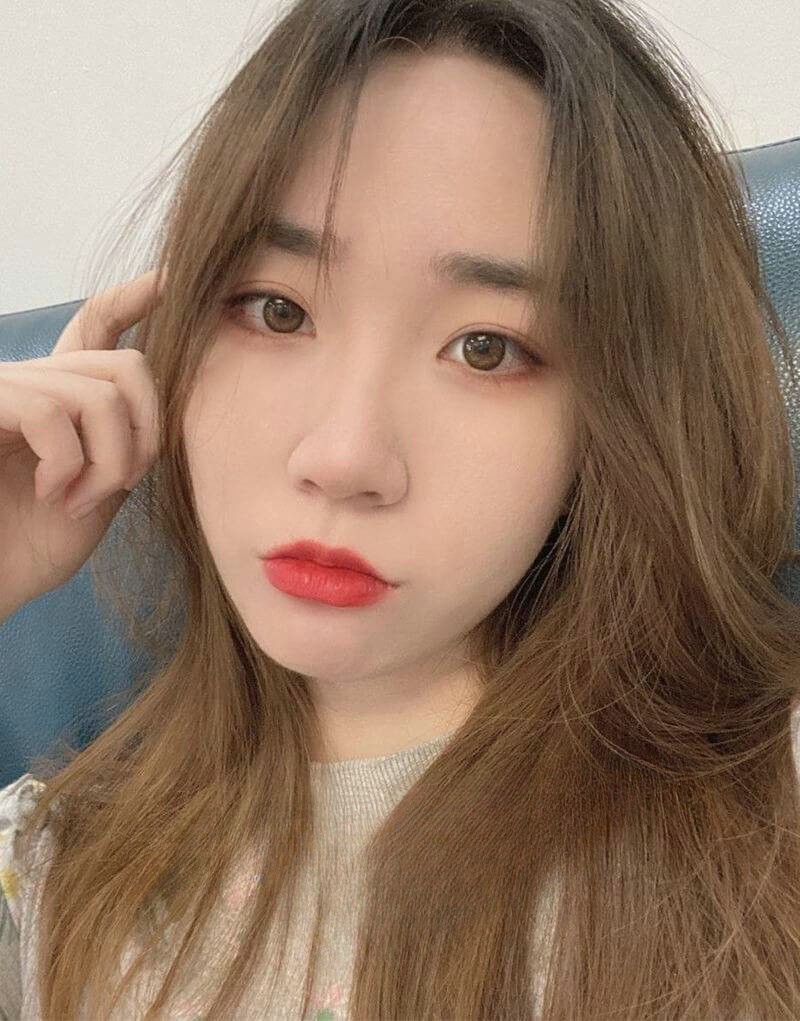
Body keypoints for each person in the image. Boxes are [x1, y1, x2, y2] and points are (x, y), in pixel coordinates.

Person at [2, 0, 800, 1017]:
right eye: (277, 310)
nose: (344, 458)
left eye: (485, 348)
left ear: (618, 414)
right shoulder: (51, 871)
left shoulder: (764, 816)